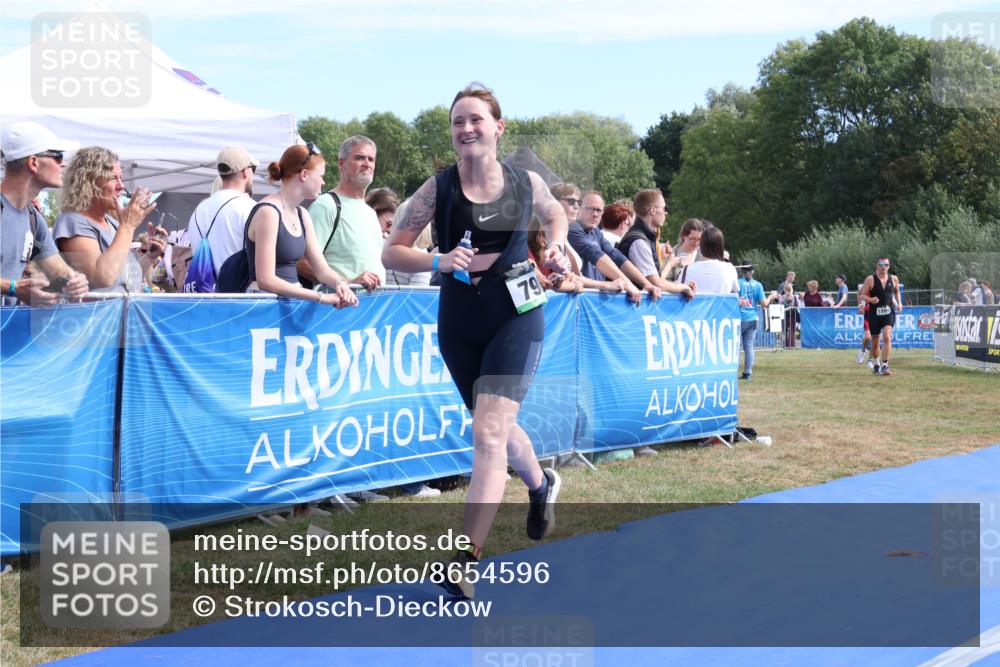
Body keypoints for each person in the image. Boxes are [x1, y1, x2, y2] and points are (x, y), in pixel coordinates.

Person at [382, 83, 571, 599]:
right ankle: (541, 484)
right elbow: (392, 253)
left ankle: (466, 556)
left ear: (498, 127)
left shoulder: (525, 181)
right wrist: (437, 260)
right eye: (458, 122)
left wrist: (555, 247)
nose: (466, 129)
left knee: (488, 434)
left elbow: (556, 214)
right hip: (460, 320)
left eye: (476, 120)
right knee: (496, 430)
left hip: (518, 314)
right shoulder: (436, 190)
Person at [246, 143, 358, 309]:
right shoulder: (268, 213)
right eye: (320, 176)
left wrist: (339, 284)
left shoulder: (302, 215)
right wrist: (320, 297)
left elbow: (321, 269)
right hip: (264, 306)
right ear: (304, 174)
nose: (323, 182)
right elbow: (265, 280)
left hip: (289, 304)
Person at [54, 146, 164, 293]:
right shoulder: (72, 221)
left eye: (121, 178)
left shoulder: (111, 222)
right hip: (93, 315)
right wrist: (128, 226)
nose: (121, 186)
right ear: (90, 182)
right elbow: (103, 278)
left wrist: (150, 256)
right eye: (113, 178)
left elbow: (127, 281)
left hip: (120, 314)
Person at [1, 121, 89, 305]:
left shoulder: (33, 218)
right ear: (33, 162)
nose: (63, 164)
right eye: (58, 156)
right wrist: (12, 288)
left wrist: (75, 282)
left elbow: (61, 273)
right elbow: (14, 287)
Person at [301, 136, 384, 292]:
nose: (367, 164)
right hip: (339, 310)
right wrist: (347, 283)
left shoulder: (370, 213)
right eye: (359, 158)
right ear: (342, 163)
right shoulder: (326, 205)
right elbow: (303, 263)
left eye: (371, 159)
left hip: (374, 310)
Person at [567, 190, 660, 304]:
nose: (595, 214)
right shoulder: (572, 229)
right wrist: (629, 285)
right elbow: (595, 254)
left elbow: (616, 256)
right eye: (590, 208)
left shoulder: (596, 231)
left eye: (599, 210)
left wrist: (647, 284)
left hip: (595, 301)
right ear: (580, 207)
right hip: (581, 303)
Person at [186, 146, 259, 275]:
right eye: (253, 169)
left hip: (204, 291)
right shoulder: (251, 208)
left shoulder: (199, 210)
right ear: (245, 172)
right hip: (239, 292)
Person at [617, 188, 694, 300]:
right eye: (664, 208)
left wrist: (682, 286)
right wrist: (683, 287)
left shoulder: (644, 238)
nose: (666, 213)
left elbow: (656, 279)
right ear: (652, 210)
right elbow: (656, 284)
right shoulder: (639, 241)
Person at [859, 257, 903, 376]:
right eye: (881, 265)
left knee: (887, 337)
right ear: (877, 266)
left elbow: (897, 291)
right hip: (874, 314)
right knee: (875, 342)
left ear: (889, 266)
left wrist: (899, 303)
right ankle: (876, 363)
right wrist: (871, 299)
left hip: (888, 312)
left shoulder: (894, 279)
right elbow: (862, 295)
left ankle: (885, 365)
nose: (884, 267)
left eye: (886, 265)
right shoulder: (870, 279)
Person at [736, 264, 775, 380]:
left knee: (736, 347)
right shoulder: (758, 285)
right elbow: (764, 304)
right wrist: (771, 297)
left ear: (741, 271)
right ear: (752, 271)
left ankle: (733, 373)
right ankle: (747, 373)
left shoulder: (737, 283)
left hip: (739, 317)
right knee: (749, 347)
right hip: (752, 318)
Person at [680, 225, 738, 295]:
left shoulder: (687, 270)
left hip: (695, 305)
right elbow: (735, 290)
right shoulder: (729, 269)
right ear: (721, 247)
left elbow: (677, 290)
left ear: (701, 246)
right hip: (720, 306)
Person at [661, 218, 704, 282]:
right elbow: (665, 280)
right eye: (693, 239)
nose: (696, 243)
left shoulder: (704, 254)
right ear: (683, 236)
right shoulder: (671, 254)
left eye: (699, 239)